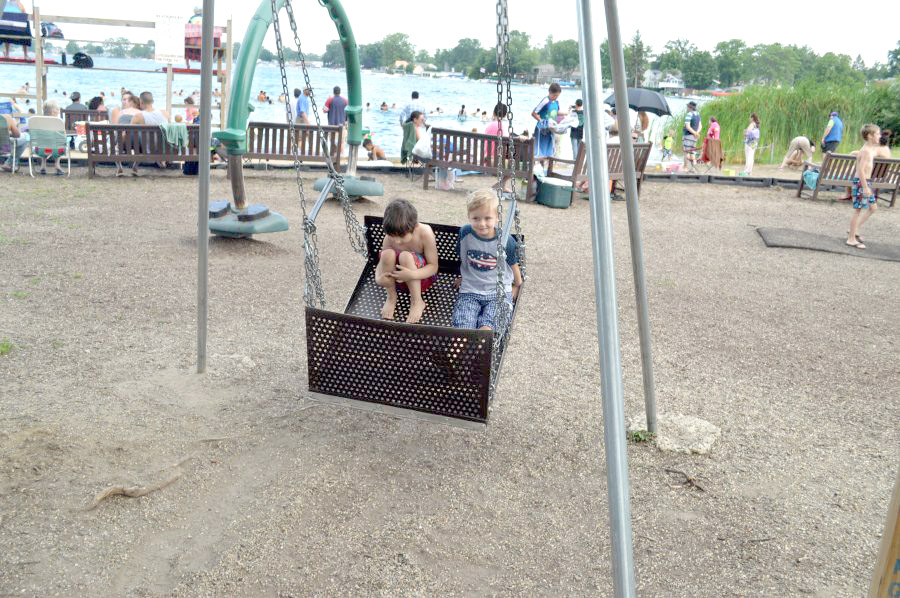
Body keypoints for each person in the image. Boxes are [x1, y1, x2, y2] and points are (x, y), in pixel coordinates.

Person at [452, 189, 523, 331]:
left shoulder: (505, 241)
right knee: (463, 321)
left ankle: (483, 341)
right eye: (476, 218)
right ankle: (460, 346)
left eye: (487, 218)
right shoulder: (465, 233)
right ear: (469, 216)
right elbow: (464, 258)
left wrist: (515, 286)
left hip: (498, 291)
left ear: (497, 218)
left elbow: (514, 267)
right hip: (470, 289)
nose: (481, 223)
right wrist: (462, 276)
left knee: (492, 322)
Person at [375, 199, 439, 324]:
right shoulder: (389, 237)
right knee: (387, 254)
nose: (397, 241)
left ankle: (417, 301)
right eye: (393, 236)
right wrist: (378, 278)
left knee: (405, 256)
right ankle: (391, 297)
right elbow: (382, 263)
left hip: (421, 280)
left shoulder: (424, 233)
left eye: (401, 236)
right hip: (398, 281)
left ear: (414, 227)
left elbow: (433, 267)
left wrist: (411, 274)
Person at [846, 125, 891, 250]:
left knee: (873, 207)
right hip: (862, 182)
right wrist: (865, 187)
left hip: (867, 182)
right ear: (870, 136)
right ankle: (851, 239)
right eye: (877, 134)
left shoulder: (871, 149)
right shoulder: (866, 150)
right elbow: (860, 170)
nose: (880, 136)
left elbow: (876, 152)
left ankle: (853, 230)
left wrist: (856, 153)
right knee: (858, 210)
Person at [531, 82, 561, 166]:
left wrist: (568, 114)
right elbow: (534, 113)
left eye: (557, 96)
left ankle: (544, 169)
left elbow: (556, 113)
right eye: (554, 95)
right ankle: (535, 170)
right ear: (550, 92)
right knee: (539, 151)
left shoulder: (556, 102)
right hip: (541, 129)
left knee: (549, 151)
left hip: (550, 130)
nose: (555, 97)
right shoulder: (545, 101)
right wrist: (542, 121)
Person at [682, 100, 702, 171]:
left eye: (687, 107)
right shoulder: (698, 114)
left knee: (686, 151)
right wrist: (696, 133)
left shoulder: (689, 114)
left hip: (688, 135)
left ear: (689, 107)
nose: (687, 108)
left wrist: (694, 133)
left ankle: (685, 167)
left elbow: (687, 126)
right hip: (695, 137)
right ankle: (693, 168)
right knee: (692, 152)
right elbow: (700, 126)